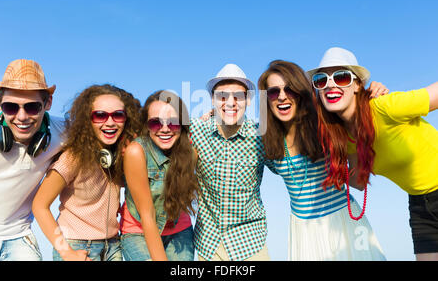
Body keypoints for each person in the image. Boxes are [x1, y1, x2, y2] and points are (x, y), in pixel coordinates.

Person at [308, 47, 438, 261]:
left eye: (341, 77)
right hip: (420, 205)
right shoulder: (345, 139)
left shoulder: (385, 107)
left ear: (358, 85)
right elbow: (358, 181)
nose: (330, 84)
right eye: (321, 80)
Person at [258, 60, 386, 260]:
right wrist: (212, 117)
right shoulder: (264, 139)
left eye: (289, 89)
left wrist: (369, 95)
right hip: (304, 231)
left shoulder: (325, 123)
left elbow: (358, 184)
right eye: (274, 92)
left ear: (301, 92)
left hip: (343, 222)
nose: (282, 96)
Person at [32, 84, 142, 261]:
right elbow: (39, 206)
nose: (110, 122)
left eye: (118, 115)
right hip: (77, 247)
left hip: (113, 246)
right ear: (87, 120)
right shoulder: (72, 158)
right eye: (100, 115)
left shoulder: (119, 155)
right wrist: (66, 252)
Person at [191, 63, 271, 261]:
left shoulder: (261, 137)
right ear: (212, 100)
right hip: (208, 245)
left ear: (249, 100)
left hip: (250, 243)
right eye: (222, 96)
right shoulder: (196, 129)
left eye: (238, 96)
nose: (230, 102)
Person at [0, 59, 64, 261]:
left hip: (20, 237)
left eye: (32, 107)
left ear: (48, 103)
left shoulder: (64, 132)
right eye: (11, 107)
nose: (21, 117)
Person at [120, 90, 198, 261]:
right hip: (139, 230)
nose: (165, 129)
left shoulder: (191, 150)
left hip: (179, 229)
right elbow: (147, 216)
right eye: (156, 123)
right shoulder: (137, 151)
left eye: (173, 123)